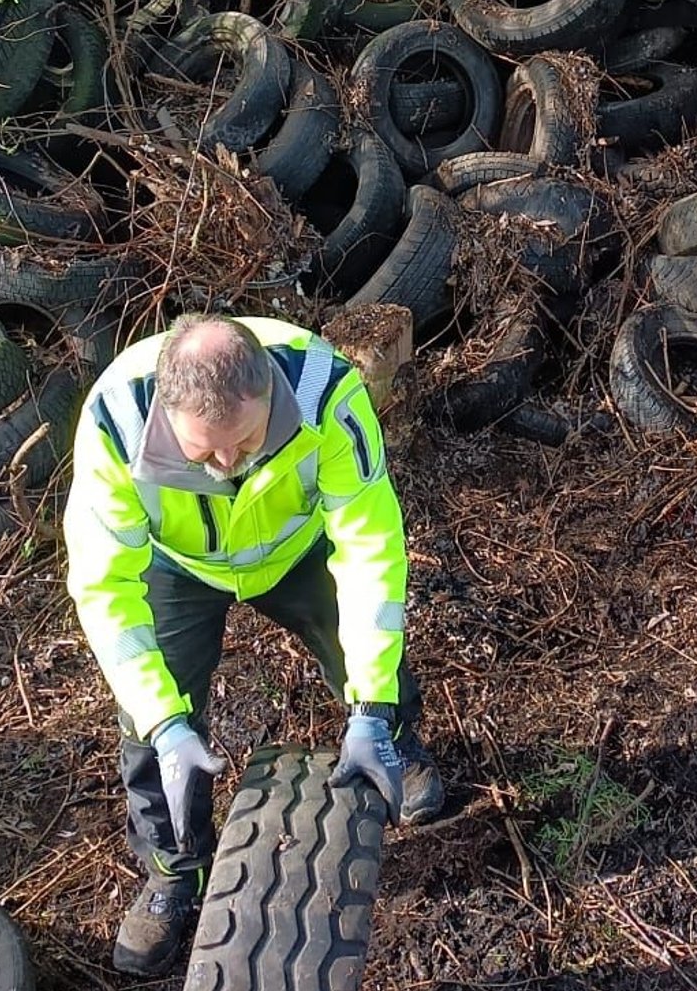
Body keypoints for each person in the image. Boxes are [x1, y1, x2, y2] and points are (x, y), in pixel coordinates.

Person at [63, 313, 445, 975]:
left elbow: (370, 549)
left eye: (241, 442)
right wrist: (164, 720)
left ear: (268, 391)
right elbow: (103, 586)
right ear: (166, 408)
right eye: (201, 452)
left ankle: (395, 742)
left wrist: (373, 704)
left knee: (364, 656)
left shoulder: (329, 394)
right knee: (150, 721)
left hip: (297, 550)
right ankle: (174, 872)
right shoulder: (115, 423)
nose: (225, 465)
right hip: (179, 564)